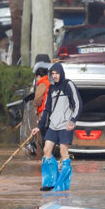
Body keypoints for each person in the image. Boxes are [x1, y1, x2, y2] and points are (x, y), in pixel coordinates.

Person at [31, 62, 81, 191]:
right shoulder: (51, 89)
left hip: (65, 126)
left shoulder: (68, 85)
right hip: (53, 125)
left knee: (64, 153)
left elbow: (78, 104)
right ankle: (50, 183)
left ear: (61, 73)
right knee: (47, 150)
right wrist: (39, 127)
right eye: (52, 74)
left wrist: (73, 121)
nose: (55, 76)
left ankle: (62, 185)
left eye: (57, 73)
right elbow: (47, 110)